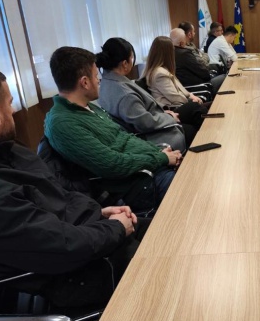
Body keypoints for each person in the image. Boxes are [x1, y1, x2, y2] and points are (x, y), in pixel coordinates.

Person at [0, 63, 148, 309]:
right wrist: (115, 229)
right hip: (69, 276)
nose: (12, 110)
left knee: (166, 230)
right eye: (10, 103)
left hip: (85, 239)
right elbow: (61, 247)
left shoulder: (5, 150)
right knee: (169, 267)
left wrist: (100, 213)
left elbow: (57, 198)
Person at [45, 46, 182, 209]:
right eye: (96, 76)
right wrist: (161, 159)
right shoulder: (63, 123)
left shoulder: (87, 107)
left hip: (147, 168)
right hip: (136, 185)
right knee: (195, 190)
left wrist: (159, 153)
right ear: (85, 82)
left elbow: (124, 137)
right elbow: (112, 164)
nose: (99, 80)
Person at [96, 37, 187, 152]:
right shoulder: (125, 94)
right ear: (125, 64)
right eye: (131, 58)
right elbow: (145, 123)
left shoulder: (106, 83)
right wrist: (168, 117)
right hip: (150, 137)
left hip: (146, 128)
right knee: (191, 130)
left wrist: (164, 114)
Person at [144, 36, 208, 146]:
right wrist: (190, 100)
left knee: (205, 106)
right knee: (196, 108)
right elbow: (176, 98)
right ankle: (208, 138)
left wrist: (191, 95)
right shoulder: (159, 73)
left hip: (176, 106)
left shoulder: (164, 69)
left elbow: (180, 89)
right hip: (172, 109)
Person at [170, 28, 225, 93]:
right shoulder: (184, 54)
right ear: (181, 43)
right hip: (198, 87)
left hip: (186, 87)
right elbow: (203, 72)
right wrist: (209, 75)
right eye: (185, 41)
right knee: (224, 77)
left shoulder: (170, 53)